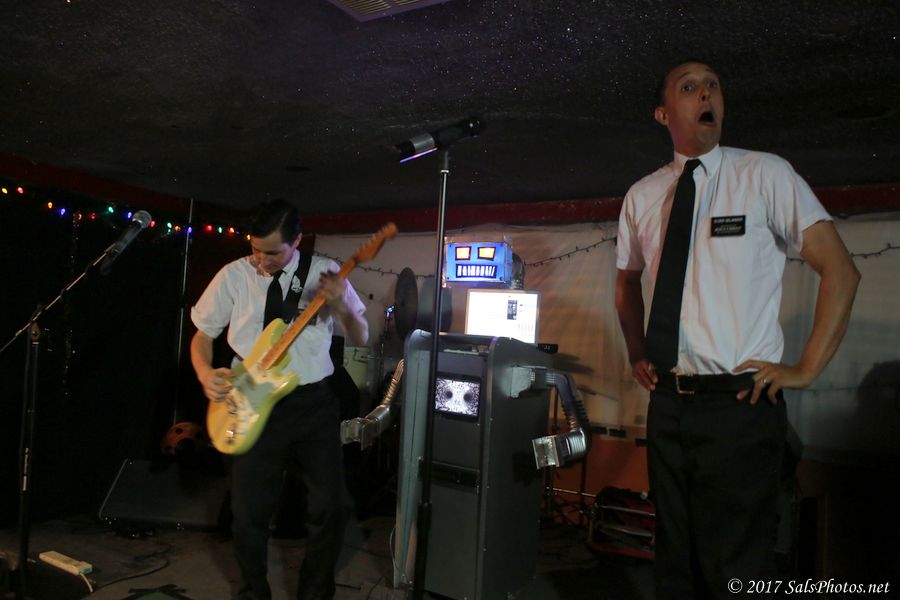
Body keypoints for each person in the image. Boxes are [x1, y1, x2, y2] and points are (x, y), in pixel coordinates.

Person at [614, 60, 859, 599]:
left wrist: (806, 369)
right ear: (664, 114)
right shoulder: (643, 196)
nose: (706, 93)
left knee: (735, 566)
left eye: (714, 86)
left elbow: (840, 270)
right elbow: (625, 282)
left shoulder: (764, 175)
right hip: (669, 404)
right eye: (689, 87)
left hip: (740, 405)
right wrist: (637, 351)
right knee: (675, 558)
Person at [190, 199, 368, 600]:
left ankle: (314, 594)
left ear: (297, 241)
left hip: (311, 404)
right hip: (249, 401)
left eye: (272, 252)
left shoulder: (326, 274)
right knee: (246, 514)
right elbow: (203, 335)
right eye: (255, 249)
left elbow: (362, 335)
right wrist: (204, 374)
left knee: (331, 507)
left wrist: (341, 306)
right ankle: (252, 593)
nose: (261, 260)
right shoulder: (234, 275)